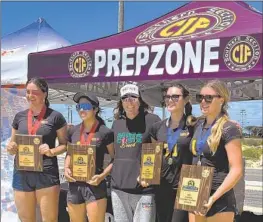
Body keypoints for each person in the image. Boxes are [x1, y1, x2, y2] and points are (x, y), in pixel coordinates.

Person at [6, 77, 68, 222]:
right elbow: (12, 146)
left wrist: (51, 151)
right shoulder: (19, 117)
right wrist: (11, 147)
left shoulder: (56, 117)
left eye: (34, 92)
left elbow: (65, 145)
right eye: (27, 92)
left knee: (49, 219)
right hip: (21, 173)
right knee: (26, 219)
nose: (30, 95)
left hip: (46, 173)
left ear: (44, 94)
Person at [189, 80, 243, 222]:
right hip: (195, 192)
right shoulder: (197, 124)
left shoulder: (229, 128)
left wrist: (213, 198)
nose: (203, 102)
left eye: (209, 98)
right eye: (200, 97)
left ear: (221, 99)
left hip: (218, 198)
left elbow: (236, 169)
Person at [110, 84, 161, 222]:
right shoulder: (117, 124)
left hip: (144, 189)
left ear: (140, 100)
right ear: (121, 102)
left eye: (133, 97)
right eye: (125, 98)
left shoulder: (152, 120)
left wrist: (148, 175)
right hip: (118, 188)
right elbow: (113, 155)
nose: (129, 101)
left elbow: (159, 151)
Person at [64, 92, 114, 222]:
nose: (81, 109)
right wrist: (66, 168)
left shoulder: (105, 132)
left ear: (95, 109)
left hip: (95, 185)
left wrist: (102, 176)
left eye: (86, 106)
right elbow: (69, 154)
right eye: (79, 106)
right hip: (74, 185)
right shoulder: (72, 131)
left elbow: (115, 159)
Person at [148, 84, 194, 222]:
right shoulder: (157, 127)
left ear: (185, 99)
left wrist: (227, 122)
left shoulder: (193, 125)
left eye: (175, 96)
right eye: (167, 96)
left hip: (185, 187)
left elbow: (213, 125)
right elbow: (154, 157)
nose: (170, 100)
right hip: (162, 186)